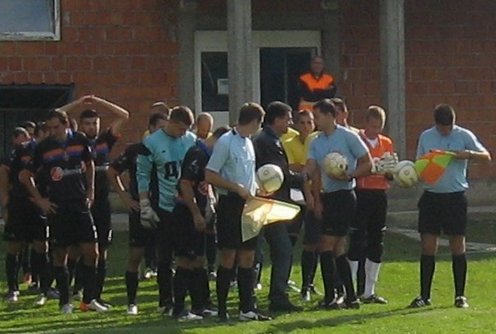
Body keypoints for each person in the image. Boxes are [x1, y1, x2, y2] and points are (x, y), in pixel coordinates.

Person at [19, 110, 107, 313]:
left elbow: (89, 163)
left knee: (92, 252)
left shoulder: (79, 139)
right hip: (58, 206)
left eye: (56, 127)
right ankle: (65, 301)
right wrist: (40, 200)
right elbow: (25, 175)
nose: (53, 131)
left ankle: (88, 300)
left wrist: (90, 190)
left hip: (79, 203)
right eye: (49, 128)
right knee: (60, 254)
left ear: (66, 124)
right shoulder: (44, 147)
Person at [409, 104, 491, 309]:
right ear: (436, 124)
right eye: (443, 127)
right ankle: (424, 295)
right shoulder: (426, 136)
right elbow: (419, 164)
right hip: (431, 197)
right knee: (428, 245)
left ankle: (460, 296)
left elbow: (486, 157)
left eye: (450, 126)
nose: (447, 130)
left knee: (457, 245)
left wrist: (468, 154)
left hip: (455, 197)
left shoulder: (464, 135)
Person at [60, 95, 129, 306]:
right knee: (76, 250)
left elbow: (124, 115)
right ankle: (71, 290)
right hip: (80, 202)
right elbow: (56, 117)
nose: (91, 127)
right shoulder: (74, 142)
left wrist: (99, 102)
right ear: (80, 125)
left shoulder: (104, 141)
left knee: (102, 250)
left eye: (95, 123)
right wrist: (79, 104)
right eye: (87, 124)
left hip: (101, 203)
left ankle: (95, 295)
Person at [303, 98, 372, 309]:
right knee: (338, 248)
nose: (315, 121)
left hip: (344, 196)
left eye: (318, 117)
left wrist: (351, 174)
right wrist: (315, 198)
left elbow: (368, 162)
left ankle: (331, 296)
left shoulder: (348, 137)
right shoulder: (316, 142)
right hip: (327, 197)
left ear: (331, 116)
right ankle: (350, 297)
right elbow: (313, 170)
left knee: (326, 244)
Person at [205, 102, 271, 322]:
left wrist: (257, 189)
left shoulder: (249, 143)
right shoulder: (226, 142)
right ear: (253, 122)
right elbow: (210, 174)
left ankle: (247, 308)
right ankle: (222, 308)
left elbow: (248, 174)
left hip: (249, 205)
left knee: (248, 255)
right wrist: (236, 188)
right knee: (228, 255)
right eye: (259, 123)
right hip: (230, 204)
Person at [137, 106, 196, 314]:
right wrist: (144, 204)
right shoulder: (152, 142)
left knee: (187, 255)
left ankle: (185, 300)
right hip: (164, 205)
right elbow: (142, 175)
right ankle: (166, 300)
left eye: (186, 129)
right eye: (180, 128)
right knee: (165, 256)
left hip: (186, 204)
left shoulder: (190, 140)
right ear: (171, 122)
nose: (183, 133)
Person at [107, 112, 168, 315]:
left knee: (164, 256)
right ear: (150, 129)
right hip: (140, 208)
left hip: (163, 208)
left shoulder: (170, 149)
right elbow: (112, 171)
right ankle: (131, 302)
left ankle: (165, 302)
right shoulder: (135, 150)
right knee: (135, 256)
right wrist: (125, 198)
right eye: (160, 127)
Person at [171, 125, 230, 321]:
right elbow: (185, 183)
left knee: (199, 259)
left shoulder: (209, 157)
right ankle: (178, 308)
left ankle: (201, 304)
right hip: (185, 213)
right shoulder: (198, 153)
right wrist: (196, 212)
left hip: (200, 214)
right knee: (185, 259)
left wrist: (210, 204)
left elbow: (206, 185)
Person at [252, 101, 303, 312]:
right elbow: (277, 175)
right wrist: (303, 178)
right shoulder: (268, 142)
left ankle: (254, 294)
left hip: (264, 203)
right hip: (269, 204)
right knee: (282, 250)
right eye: (288, 118)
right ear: (277, 119)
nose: (290, 123)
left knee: (257, 251)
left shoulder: (264, 139)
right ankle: (277, 296)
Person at [348, 106, 397, 304]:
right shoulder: (356, 139)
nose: (376, 131)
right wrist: (369, 168)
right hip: (361, 192)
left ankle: (369, 290)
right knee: (357, 238)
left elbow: (391, 172)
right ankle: (349, 289)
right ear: (366, 122)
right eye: (373, 126)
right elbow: (352, 166)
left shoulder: (386, 142)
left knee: (377, 239)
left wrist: (390, 170)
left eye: (379, 127)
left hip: (379, 193)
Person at [1, 127, 50, 305]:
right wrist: (4, 196)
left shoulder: (53, 152)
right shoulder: (23, 150)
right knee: (15, 245)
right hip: (20, 202)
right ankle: (13, 288)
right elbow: (4, 169)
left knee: (41, 244)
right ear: (38, 134)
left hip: (40, 205)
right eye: (46, 131)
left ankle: (41, 286)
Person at [282, 110, 322, 302]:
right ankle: (286, 279)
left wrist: (304, 166)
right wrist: (305, 167)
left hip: (316, 193)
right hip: (296, 195)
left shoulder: (317, 141)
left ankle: (309, 284)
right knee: (292, 238)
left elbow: (305, 167)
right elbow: (293, 168)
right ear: (296, 125)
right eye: (302, 122)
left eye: (309, 122)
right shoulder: (288, 143)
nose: (306, 126)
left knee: (315, 241)